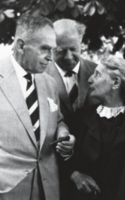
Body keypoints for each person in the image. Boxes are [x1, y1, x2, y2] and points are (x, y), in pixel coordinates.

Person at [0, 14, 75, 200]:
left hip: (47, 188)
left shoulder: (49, 84)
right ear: (21, 45)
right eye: (45, 49)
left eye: (53, 50)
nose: (50, 58)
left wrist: (64, 135)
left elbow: (58, 120)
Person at [69, 56, 125, 200]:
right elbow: (65, 157)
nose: (90, 79)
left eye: (97, 74)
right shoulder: (82, 117)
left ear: (115, 82)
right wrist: (75, 175)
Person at [46, 19, 98, 131]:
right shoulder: (40, 76)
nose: (68, 57)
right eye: (61, 51)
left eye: (73, 49)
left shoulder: (97, 72)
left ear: (81, 41)